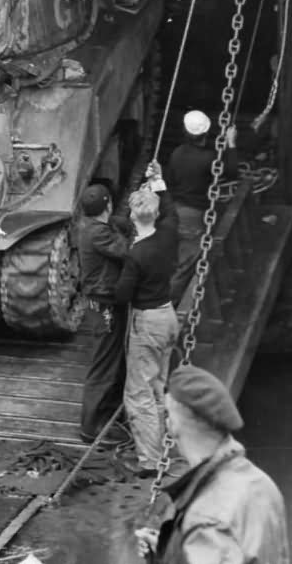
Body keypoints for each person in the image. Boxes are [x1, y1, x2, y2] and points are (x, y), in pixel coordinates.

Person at [146, 365, 290, 564]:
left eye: (168, 415)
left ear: (174, 425)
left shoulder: (206, 519)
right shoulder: (261, 483)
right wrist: (171, 551)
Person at [113, 181, 180, 478]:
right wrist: (161, 184)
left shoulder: (136, 255)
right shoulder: (168, 236)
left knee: (139, 393)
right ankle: (160, 450)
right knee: (156, 387)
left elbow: (122, 296)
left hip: (147, 323)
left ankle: (149, 462)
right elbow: (172, 213)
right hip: (167, 316)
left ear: (131, 216)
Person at [74, 183, 135, 445]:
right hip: (104, 307)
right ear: (108, 205)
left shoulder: (89, 226)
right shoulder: (99, 234)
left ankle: (107, 415)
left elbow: (115, 226)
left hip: (105, 305)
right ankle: (90, 428)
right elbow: (126, 251)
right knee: (103, 366)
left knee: (112, 361)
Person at [164, 110, 238, 307]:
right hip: (194, 215)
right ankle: (168, 308)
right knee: (186, 265)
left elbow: (170, 181)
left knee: (176, 260)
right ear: (206, 133)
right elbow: (232, 172)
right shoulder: (208, 159)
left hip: (175, 211)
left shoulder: (176, 153)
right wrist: (230, 143)